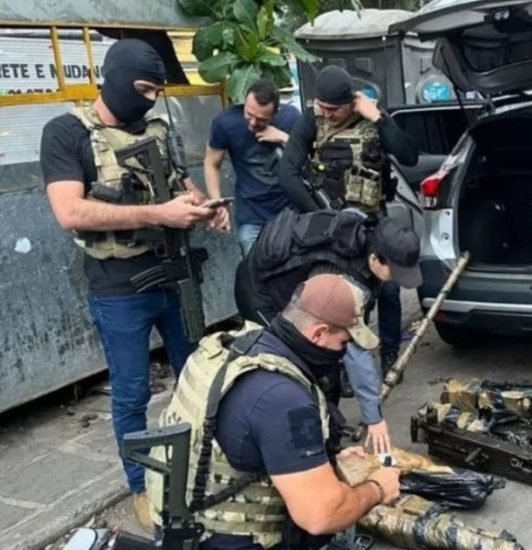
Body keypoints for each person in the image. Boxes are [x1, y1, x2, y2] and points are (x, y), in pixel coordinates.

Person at [39, 39, 229, 532]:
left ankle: (197, 474)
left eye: (156, 90)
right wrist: (156, 213)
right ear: (117, 78)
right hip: (118, 286)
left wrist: (203, 206)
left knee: (197, 378)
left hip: (176, 276)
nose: (149, 99)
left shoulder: (158, 130)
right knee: (131, 393)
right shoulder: (66, 132)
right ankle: (143, 487)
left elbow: (179, 183)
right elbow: (69, 211)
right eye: (143, 89)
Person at [146, 274, 401, 549]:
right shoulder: (283, 398)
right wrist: (376, 489)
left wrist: (327, 462)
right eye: (343, 343)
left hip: (179, 523)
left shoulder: (231, 347)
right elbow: (321, 515)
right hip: (225, 540)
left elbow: (243, 437)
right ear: (319, 333)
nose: (343, 352)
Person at [233, 207, 423, 454]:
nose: (398, 279)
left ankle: (326, 437)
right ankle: (296, 450)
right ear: (375, 258)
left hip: (299, 288)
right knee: (296, 370)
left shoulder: (365, 229)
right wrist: (374, 418)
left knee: (327, 366)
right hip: (261, 294)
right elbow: (356, 353)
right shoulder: (341, 281)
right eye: (395, 272)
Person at [279, 65, 419, 374]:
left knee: (389, 289)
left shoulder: (371, 117)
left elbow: (410, 156)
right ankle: (342, 363)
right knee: (343, 295)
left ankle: (391, 354)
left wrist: (379, 118)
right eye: (323, 107)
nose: (327, 114)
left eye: (334, 109)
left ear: (350, 101)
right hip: (333, 226)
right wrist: (321, 216)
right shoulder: (311, 120)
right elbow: (287, 173)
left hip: (373, 219)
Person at [203, 79, 300, 255]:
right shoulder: (225, 123)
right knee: (254, 273)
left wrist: (285, 138)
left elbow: (309, 157)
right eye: (249, 114)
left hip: (290, 212)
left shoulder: (291, 117)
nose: (253, 123)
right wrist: (217, 203)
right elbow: (211, 164)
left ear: (276, 113)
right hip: (251, 214)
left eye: (262, 119)